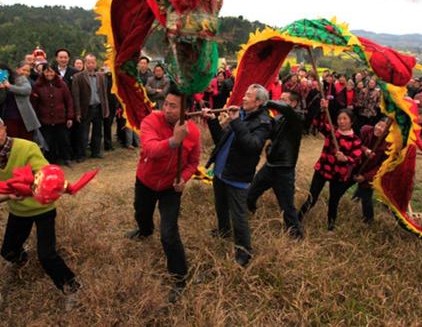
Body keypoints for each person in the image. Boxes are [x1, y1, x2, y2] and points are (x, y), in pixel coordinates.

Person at [0, 113, 80, 295]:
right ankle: (24, 264)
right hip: (18, 211)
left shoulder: (27, 147)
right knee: (8, 252)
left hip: (42, 208)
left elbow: (44, 173)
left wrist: (27, 188)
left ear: (5, 129)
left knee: (46, 255)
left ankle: (72, 289)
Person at [125, 87, 200, 301]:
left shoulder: (192, 132)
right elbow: (150, 150)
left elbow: (194, 162)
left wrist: (183, 178)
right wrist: (174, 141)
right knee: (141, 213)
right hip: (146, 182)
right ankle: (144, 230)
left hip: (170, 188)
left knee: (169, 233)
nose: (166, 109)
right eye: (165, 103)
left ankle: (179, 278)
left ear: (185, 109)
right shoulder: (151, 120)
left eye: (173, 106)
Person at [202, 84, 272, 266]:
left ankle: (244, 251)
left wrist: (235, 121)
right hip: (221, 171)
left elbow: (252, 146)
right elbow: (221, 139)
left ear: (258, 102)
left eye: (248, 95)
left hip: (237, 175)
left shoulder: (263, 122)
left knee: (239, 215)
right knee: (221, 205)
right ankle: (223, 230)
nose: (243, 98)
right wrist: (211, 120)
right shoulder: (241, 116)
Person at [247, 91, 304, 239]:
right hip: (270, 166)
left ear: (293, 103)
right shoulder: (278, 118)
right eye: (280, 99)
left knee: (287, 206)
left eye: (284, 100)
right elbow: (267, 132)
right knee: (251, 193)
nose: (280, 102)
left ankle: (296, 235)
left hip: (284, 169)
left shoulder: (296, 118)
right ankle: (250, 210)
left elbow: (285, 109)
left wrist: (265, 101)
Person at [298, 103, 363, 230]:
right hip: (323, 169)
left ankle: (331, 227)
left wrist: (345, 158)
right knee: (312, 197)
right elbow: (317, 123)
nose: (341, 121)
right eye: (339, 118)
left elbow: (356, 159)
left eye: (345, 119)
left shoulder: (355, 140)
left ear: (351, 121)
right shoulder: (331, 132)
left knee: (333, 201)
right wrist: (321, 110)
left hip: (338, 174)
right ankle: (297, 218)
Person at [31, 64, 74, 165]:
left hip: (60, 118)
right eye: (47, 71)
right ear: (43, 72)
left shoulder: (62, 84)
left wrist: (69, 117)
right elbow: (35, 104)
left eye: (51, 71)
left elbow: (69, 101)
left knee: (64, 140)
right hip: (45, 119)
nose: (49, 74)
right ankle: (51, 160)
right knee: (48, 141)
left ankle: (66, 158)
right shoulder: (38, 85)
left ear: (55, 72)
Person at [72, 54, 110, 161]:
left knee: (97, 132)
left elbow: (104, 94)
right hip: (86, 109)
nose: (91, 65)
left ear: (95, 63)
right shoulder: (78, 77)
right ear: (85, 63)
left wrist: (106, 109)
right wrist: (78, 112)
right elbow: (76, 96)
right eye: (88, 62)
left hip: (98, 108)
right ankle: (81, 154)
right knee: (83, 133)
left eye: (93, 62)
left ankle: (96, 152)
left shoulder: (101, 76)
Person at [0, 62, 41, 141]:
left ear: (7, 71)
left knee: (27, 141)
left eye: (1, 72)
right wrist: (1, 89)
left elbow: (27, 90)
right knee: (13, 141)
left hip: (25, 116)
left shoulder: (20, 79)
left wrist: (9, 86)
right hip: (9, 117)